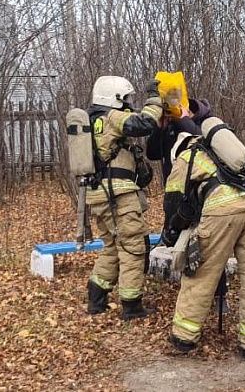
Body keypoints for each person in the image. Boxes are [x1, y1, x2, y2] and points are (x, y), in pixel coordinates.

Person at [162, 130, 245, 358]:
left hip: (223, 210)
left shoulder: (186, 158)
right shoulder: (220, 152)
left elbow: (173, 203)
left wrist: (171, 232)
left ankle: (184, 337)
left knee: (201, 273)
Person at [84, 76, 163, 320]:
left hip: (100, 195)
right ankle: (132, 306)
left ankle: (96, 299)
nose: (129, 102)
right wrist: (155, 99)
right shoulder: (112, 117)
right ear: (114, 98)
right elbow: (144, 123)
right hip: (117, 195)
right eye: (126, 98)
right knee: (133, 248)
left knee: (112, 246)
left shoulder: (95, 121)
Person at [146, 98, 212, 181]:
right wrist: (159, 128)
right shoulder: (171, 127)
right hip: (174, 185)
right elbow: (152, 154)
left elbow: (200, 139)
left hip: (198, 183)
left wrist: (183, 119)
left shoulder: (206, 122)